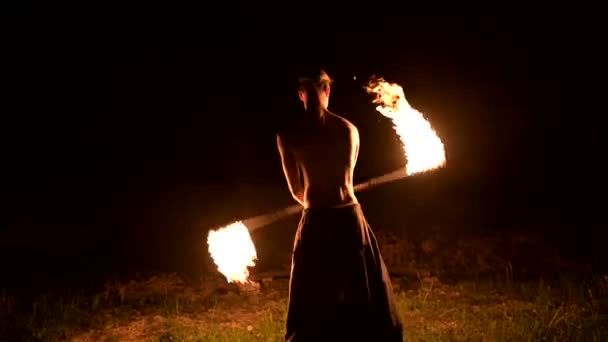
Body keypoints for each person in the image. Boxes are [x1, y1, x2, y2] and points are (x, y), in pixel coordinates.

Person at [276, 68, 404, 341]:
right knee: (337, 296)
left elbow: (298, 190)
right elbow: (339, 180)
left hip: (334, 220)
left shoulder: (297, 135)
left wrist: (320, 199)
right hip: (334, 219)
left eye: (312, 89)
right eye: (311, 89)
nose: (310, 95)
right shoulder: (342, 130)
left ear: (308, 93)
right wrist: (327, 198)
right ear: (325, 91)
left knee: (345, 295)